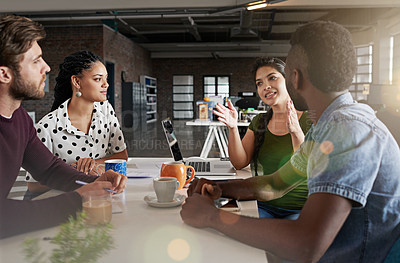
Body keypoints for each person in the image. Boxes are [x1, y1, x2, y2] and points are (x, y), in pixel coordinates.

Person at [180, 20, 400, 262]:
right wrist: (221, 187)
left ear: (294, 78)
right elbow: (275, 185)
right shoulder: (328, 127)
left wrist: (211, 217)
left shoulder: (345, 129)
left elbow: (305, 245)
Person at [0, 15, 126, 239]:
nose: (46, 68)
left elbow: (49, 169)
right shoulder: (45, 124)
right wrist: (77, 200)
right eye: (36, 61)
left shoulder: (19, 119)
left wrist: (95, 182)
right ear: (4, 74)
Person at [213, 57, 312, 219]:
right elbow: (239, 162)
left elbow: (305, 169)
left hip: (298, 210)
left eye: (272, 78)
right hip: (262, 205)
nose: (266, 86)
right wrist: (233, 128)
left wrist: (295, 131)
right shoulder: (259, 122)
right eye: (259, 83)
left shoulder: (310, 120)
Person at [25, 50, 128, 199]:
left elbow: (121, 156)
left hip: (100, 196)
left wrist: (93, 164)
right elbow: (33, 185)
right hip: (63, 204)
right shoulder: (47, 127)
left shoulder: (106, 110)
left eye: (105, 78)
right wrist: (72, 171)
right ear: (77, 82)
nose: (106, 84)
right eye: (98, 79)